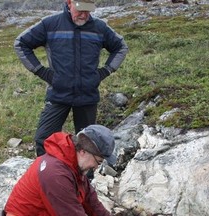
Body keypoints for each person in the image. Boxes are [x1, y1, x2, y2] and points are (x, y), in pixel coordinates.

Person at [14, 0, 128, 157]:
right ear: (69, 3)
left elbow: (121, 47)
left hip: (87, 95)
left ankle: (84, 180)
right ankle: (47, 175)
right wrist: (42, 72)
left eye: (88, 11)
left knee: (88, 143)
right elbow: (21, 43)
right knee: (44, 139)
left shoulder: (99, 27)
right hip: (58, 93)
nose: (84, 15)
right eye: (80, 10)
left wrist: (105, 71)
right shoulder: (50, 24)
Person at [4, 124, 117, 215]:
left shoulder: (73, 164)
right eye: (98, 162)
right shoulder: (56, 174)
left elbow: (91, 203)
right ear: (83, 152)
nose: (96, 167)